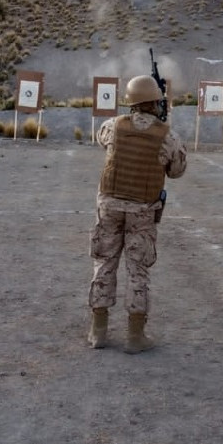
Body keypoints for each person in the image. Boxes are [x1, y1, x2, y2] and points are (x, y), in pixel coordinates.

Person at [87, 75, 187, 354]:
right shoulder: (166, 134)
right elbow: (177, 170)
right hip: (142, 209)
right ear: (155, 101)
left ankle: (98, 331)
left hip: (109, 206)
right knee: (137, 269)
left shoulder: (112, 126)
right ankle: (134, 336)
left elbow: (103, 143)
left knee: (104, 263)